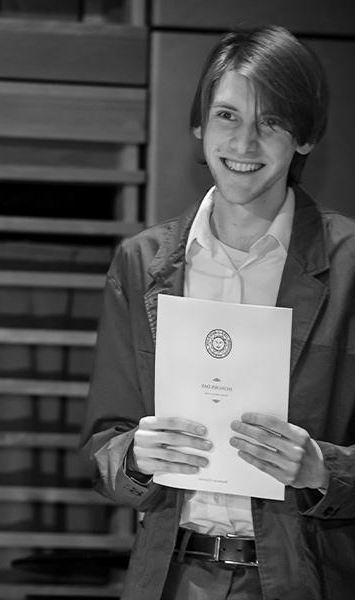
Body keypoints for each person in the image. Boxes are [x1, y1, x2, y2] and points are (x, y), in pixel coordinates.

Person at [81, 26, 354, 600]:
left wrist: (323, 469)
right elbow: (103, 446)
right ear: (200, 127)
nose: (244, 143)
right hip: (171, 577)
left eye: (271, 121)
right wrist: (134, 456)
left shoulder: (349, 265)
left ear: (303, 137)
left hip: (306, 579)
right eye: (227, 116)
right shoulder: (142, 262)